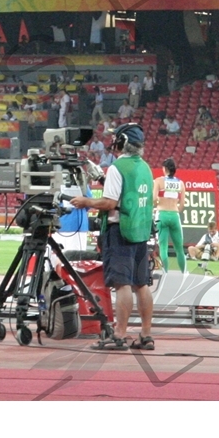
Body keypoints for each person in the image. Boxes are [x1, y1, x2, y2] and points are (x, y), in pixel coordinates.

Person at [70, 123, 155, 351]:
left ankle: (119, 335)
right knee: (141, 285)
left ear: (124, 142)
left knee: (122, 285)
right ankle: (146, 335)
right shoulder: (145, 167)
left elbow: (110, 203)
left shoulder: (118, 167)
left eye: (117, 138)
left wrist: (86, 201)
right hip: (139, 231)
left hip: (120, 232)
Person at [154, 158, 187, 274]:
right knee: (179, 248)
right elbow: (182, 203)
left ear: (165, 169)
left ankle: (165, 272)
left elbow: (153, 199)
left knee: (163, 247)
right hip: (174, 215)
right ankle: (184, 273)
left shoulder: (158, 181)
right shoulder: (181, 183)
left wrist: (157, 204)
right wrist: (176, 210)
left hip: (161, 214)